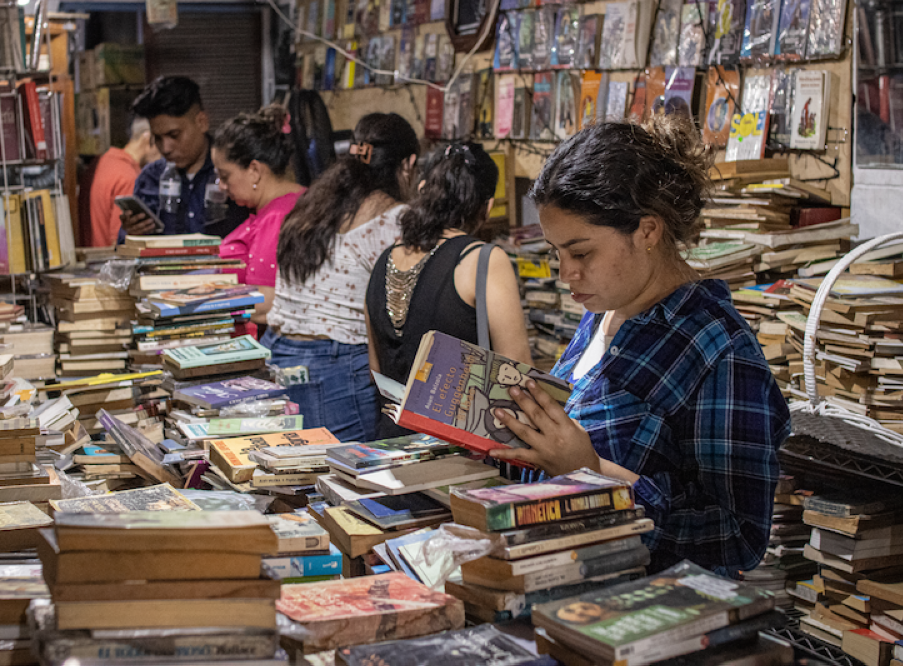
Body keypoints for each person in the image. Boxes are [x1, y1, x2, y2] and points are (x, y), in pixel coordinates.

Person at [488, 118, 790, 577]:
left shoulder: (719, 349)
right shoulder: (603, 311)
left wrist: (593, 475)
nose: (565, 274)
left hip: (641, 605)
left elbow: (738, 537)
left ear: (648, 231)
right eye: (555, 252)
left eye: (581, 253)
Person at [264, 113, 420, 442]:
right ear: (408, 165)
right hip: (337, 365)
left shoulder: (313, 205)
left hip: (278, 352)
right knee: (347, 471)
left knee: (292, 468)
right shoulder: (396, 218)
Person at [365, 142, 530, 439]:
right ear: (487, 207)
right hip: (458, 450)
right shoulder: (483, 260)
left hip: (389, 444)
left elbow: (376, 368)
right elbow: (517, 377)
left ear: (423, 191)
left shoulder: (383, 260)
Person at [121, 76, 249, 239]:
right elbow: (123, 246)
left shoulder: (233, 172)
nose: (165, 148)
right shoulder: (151, 179)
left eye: (174, 135)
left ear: (202, 122)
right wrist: (132, 235)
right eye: (157, 138)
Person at [212, 103, 305, 322]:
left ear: (254, 170)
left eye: (225, 176)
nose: (221, 186)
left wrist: (204, 301)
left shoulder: (277, 218)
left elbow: (267, 300)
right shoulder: (288, 204)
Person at [84, 117, 159, 247]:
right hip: (107, 256)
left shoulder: (102, 162)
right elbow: (119, 241)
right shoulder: (128, 177)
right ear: (147, 139)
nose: (166, 149)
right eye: (160, 140)